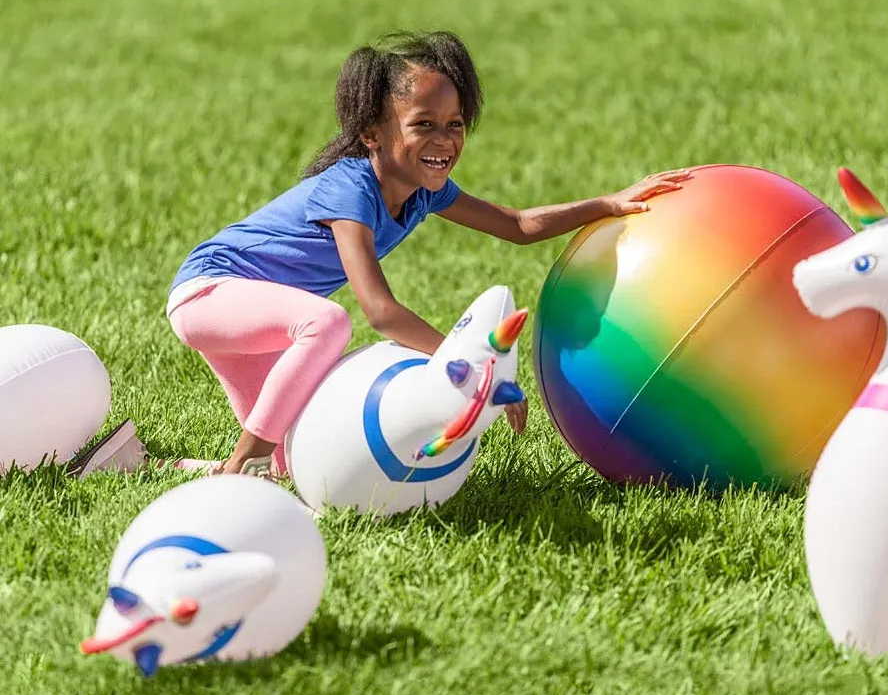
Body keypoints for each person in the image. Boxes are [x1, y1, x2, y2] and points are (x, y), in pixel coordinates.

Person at [97, 30, 690, 477]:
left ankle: (149, 466)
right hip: (207, 293)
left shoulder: (424, 193)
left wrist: (609, 202)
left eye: (455, 123)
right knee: (326, 323)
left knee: (287, 467)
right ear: (372, 135)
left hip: (254, 315)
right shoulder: (349, 188)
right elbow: (377, 309)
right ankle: (232, 478)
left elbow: (517, 225)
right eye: (423, 123)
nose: (444, 140)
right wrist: (463, 366)